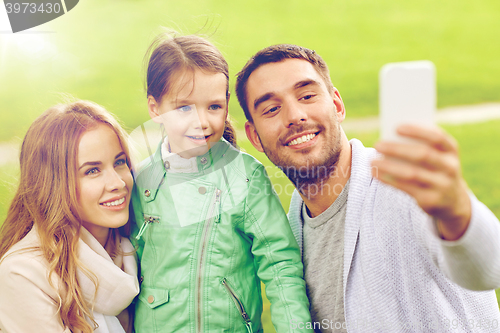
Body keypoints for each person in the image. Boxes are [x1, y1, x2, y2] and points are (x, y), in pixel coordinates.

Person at [236, 44, 500, 332]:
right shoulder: (288, 234)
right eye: (272, 109)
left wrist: (457, 211)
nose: (295, 116)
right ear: (255, 138)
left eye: (307, 95)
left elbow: (489, 269)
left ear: (336, 105)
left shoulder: (403, 184)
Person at [131, 33, 312, 333]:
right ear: (155, 108)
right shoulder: (142, 181)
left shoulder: (245, 176)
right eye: (184, 107)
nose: (201, 121)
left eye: (213, 107)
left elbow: (280, 264)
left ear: (227, 104)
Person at [0, 101, 140, 333]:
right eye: (92, 170)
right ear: (52, 185)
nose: (118, 183)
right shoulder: (23, 274)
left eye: (120, 162)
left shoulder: (134, 249)